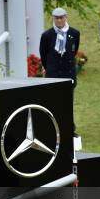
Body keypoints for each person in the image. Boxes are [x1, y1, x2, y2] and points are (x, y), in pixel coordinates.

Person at [39, 7, 80, 137]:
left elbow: (73, 51)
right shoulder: (47, 35)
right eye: (56, 18)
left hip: (68, 73)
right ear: (53, 19)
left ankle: (69, 129)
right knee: (53, 102)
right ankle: (54, 129)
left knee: (68, 102)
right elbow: (43, 55)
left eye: (61, 18)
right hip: (53, 74)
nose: (59, 20)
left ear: (65, 18)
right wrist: (49, 68)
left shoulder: (74, 33)